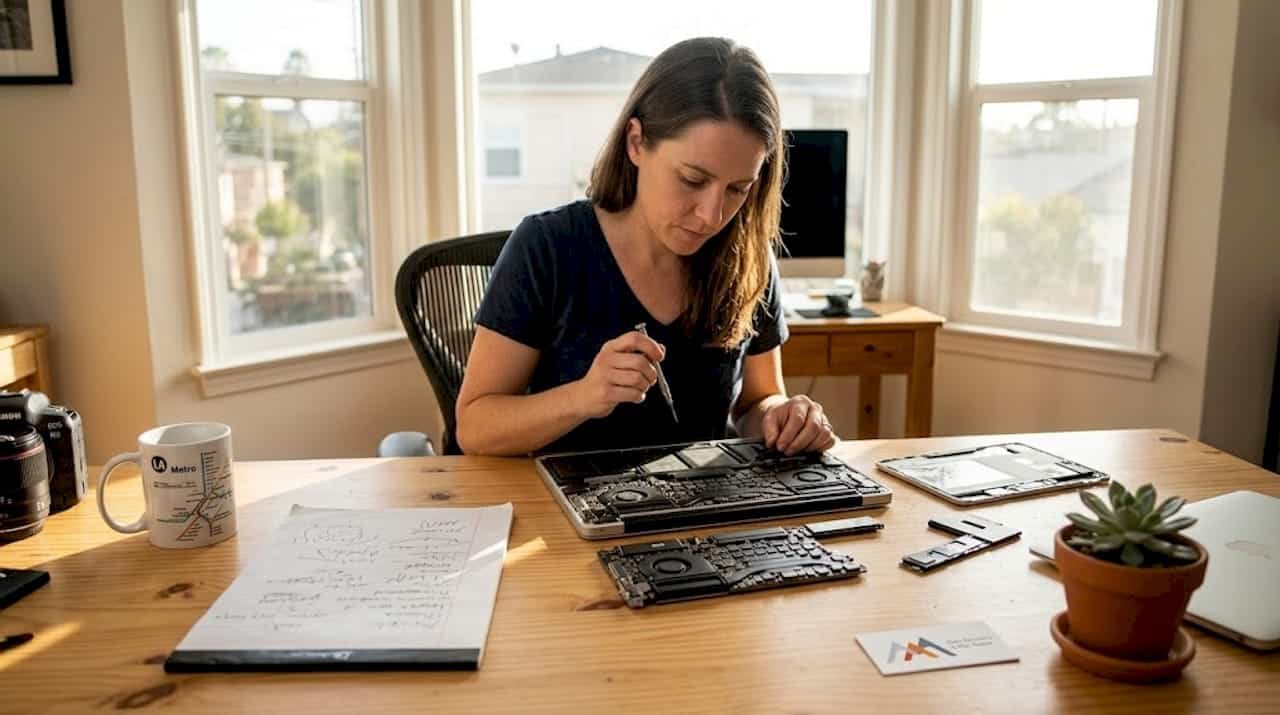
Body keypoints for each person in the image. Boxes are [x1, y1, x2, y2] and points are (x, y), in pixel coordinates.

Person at [456, 37, 838, 457]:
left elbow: (755, 403)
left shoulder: (749, 259)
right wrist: (583, 397)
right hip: (565, 513)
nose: (711, 215)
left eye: (738, 189)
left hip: (701, 508)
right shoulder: (547, 247)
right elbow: (474, 428)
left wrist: (782, 418)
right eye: (692, 180)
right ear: (636, 142)